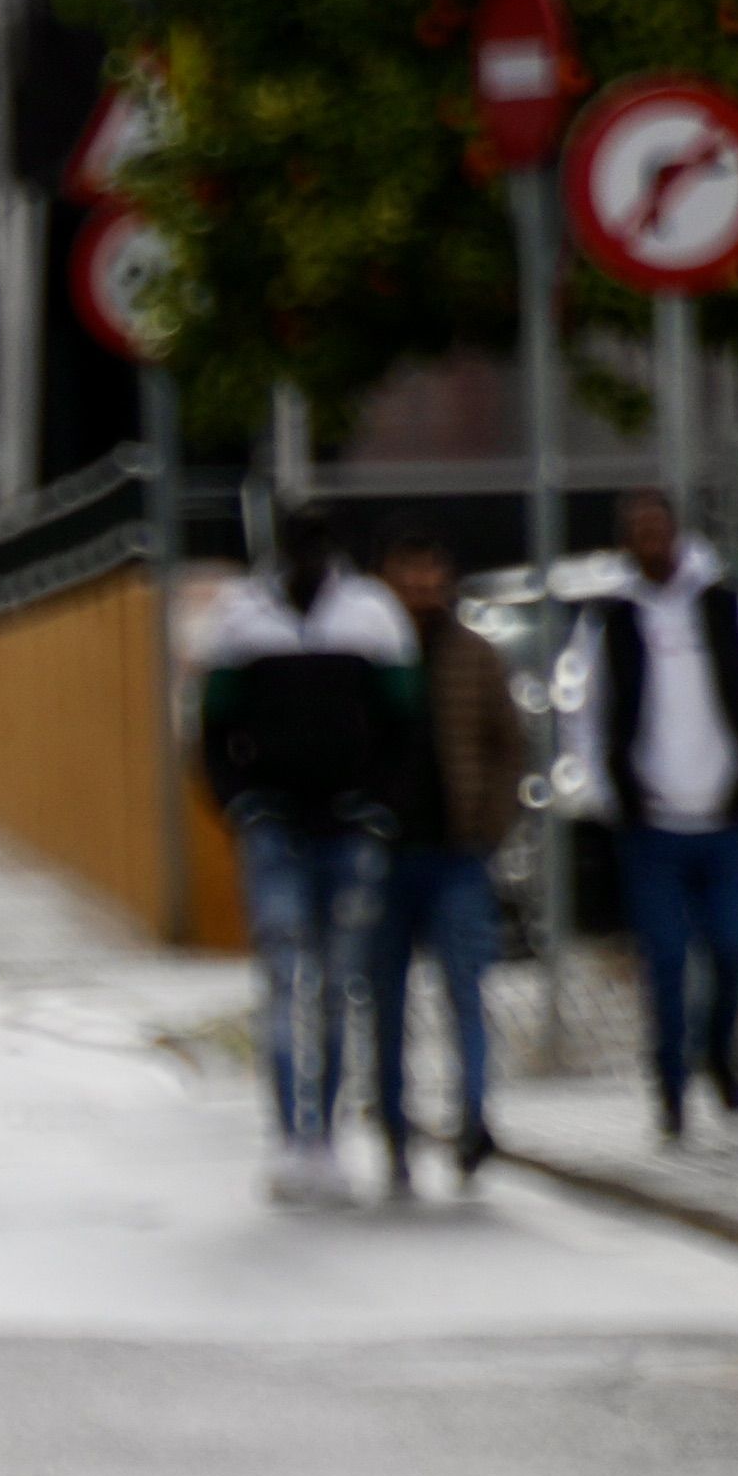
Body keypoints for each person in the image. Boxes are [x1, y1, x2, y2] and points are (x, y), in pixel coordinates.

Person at [193, 508, 416, 1206]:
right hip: (275, 832)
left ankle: (327, 1135)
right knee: (285, 983)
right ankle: (292, 1133)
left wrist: (379, 805)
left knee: (339, 988)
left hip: (348, 832)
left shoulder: (372, 616)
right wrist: (241, 804)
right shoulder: (238, 618)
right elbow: (209, 728)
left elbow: (404, 725)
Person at [584, 486, 738, 1145]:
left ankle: (719, 1049)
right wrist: (607, 792)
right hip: (653, 823)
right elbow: (586, 709)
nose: (650, 542)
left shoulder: (725, 607)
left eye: (657, 529)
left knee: (729, 949)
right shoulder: (609, 620)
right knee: (665, 960)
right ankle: (668, 1085)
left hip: (723, 816)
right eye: (636, 531)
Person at [367, 531, 521, 1193]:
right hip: (384, 857)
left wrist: (488, 825)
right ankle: (393, 1126)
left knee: (466, 993)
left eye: (432, 569)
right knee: (386, 1002)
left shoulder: (474, 655)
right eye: (410, 571)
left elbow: (508, 745)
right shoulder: (372, 656)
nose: (422, 584)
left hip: (457, 853)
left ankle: (473, 1119)